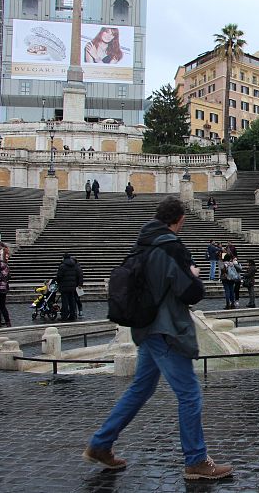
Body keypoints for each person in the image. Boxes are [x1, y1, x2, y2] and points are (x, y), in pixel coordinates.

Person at [84, 196, 231, 480]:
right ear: (179, 221)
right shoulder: (172, 247)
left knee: (140, 389)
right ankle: (196, 460)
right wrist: (194, 275)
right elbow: (191, 292)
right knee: (189, 395)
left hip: (145, 327)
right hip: (167, 330)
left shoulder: (142, 243)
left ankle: (101, 444)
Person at [55, 252, 83, 322]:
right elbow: (79, 275)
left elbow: (59, 276)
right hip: (73, 287)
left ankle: (64, 316)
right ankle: (72, 316)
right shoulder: (74, 265)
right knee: (72, 301)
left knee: (65, 302)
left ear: (63, 258)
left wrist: (57, 282)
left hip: (64, 287)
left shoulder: (62, 266)